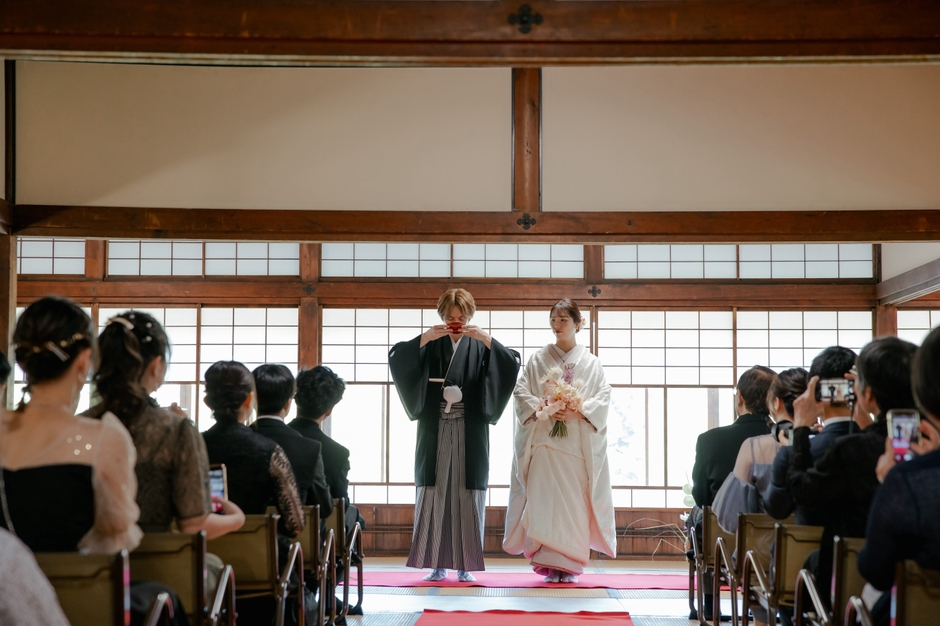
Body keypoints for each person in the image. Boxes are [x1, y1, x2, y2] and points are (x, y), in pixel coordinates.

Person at [389, 288, 521, 582]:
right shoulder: (432, 341)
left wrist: (487, 339)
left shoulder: (479, 343)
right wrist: (424, 338)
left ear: (470, 315)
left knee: (467, 492)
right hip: (435, 425)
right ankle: (435, 563)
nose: (456, 322)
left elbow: (511, 363)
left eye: (462, 317)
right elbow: (398, 358)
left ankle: (465, 565)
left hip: (469, 425)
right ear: (441, 316)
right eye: (450, 317)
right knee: (435, 492)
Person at [86, 311, 246, 539]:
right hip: (156, 564)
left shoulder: (81, 422)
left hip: (88, 566)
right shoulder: (176, 429)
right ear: (155, 365)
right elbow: (194, 525)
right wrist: (237, 519)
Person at [0, 297, 142, 554]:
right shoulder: (103, 438)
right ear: (83, 360)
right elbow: (115, 539)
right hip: (71, 590)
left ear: (21, 361)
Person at [785, 336, 918, 609]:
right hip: (916, 592)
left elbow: (801, 490)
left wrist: (800, 428)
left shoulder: (850, 450)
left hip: (853, 584)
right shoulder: (924, 444)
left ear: (866, 393)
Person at [503, 298, 615, 583]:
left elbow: (602, 397)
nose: (557, 325)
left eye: (563, 319)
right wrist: (543, 406)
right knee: (543, 501)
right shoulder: (538, 359)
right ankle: (548, 563)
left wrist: (578, 411)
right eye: (553, 319)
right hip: (544, 444)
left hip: (575, 446)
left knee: (573, 504)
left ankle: (570, 564)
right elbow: (520, 392)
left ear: (578, 323)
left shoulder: (591, 363)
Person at [689, 364, 775, 620]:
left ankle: (708, 603)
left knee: (700, 514)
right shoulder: (785, 438)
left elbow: (701, 494)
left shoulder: (710, 439)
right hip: (774, 537)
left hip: (722, 536)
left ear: (739, 397)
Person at [201, 361, 305, 537]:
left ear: (207, 402)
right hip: (256, 555)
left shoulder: (194, 444)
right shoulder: (269, 450)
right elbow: (294, 523)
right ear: (250, 400)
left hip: (201, 552)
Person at [765, 347, 859, 523]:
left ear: (814, 392)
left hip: (810, 550)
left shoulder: (793, 453)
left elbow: (776, 510)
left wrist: (799, 432)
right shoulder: (882, 446)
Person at [713, 367, 806, 535]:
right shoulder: (828, 443)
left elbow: (731, 519)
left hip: (759, 556)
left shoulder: (753, 448)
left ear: (776, 402)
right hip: (819, 554)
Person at [251, 364, 333, 519]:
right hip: (293, 540)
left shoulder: (235, 441)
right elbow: (325, 508)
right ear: (288, 404)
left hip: (238, 536)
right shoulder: (309, 448)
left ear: (253, 399)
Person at [290, 365, 363, 537]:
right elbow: (341, 503)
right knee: (354, 515)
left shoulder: (271, 440)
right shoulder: (337, 453)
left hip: (274, 535)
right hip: (318, 536)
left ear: (295, 399)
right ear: (329, 411)